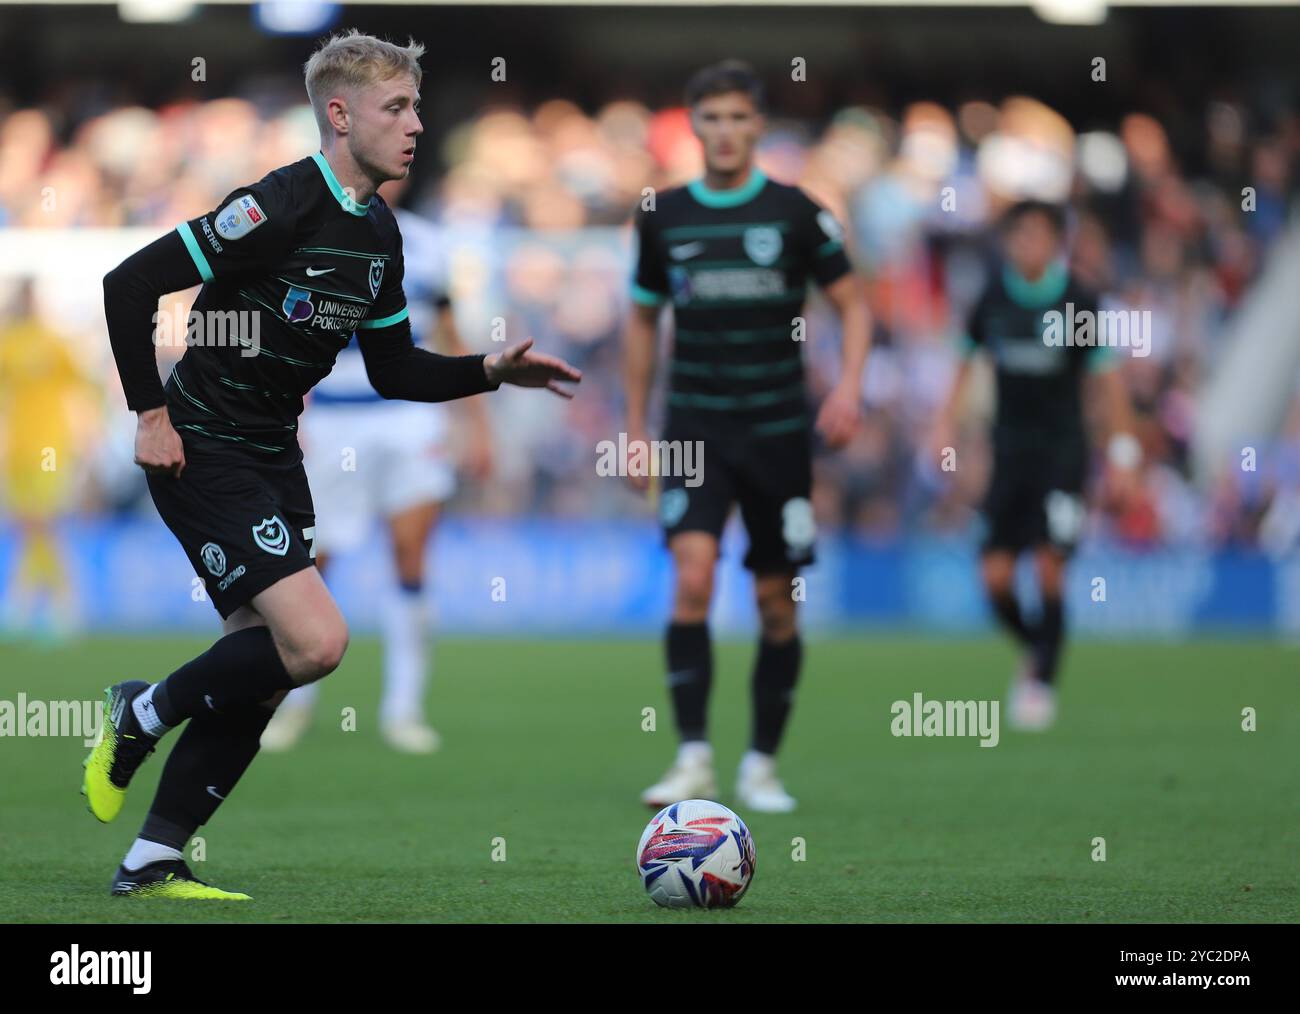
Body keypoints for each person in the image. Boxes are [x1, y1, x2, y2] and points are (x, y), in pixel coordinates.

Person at [89, 30, 579, 899]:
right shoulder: (277, 204)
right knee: (317, 642)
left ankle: (152, 857)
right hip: (201, 444)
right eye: (398, 108)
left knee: (261, 674)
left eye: (419, 107)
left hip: (277, 455)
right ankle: (144, 710)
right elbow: (128, 285)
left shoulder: (381, 236)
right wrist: (149, 414)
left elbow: (394, 371)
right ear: (341, 114)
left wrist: (489, 373)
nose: (418, 125)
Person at [624, 60, 871, 813]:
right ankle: (694, 756)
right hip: (694, 428)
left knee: (776, 602)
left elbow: (854, 304)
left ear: (759, 126)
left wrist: (852, 384)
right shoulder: (662, 216)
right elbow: (641, 318)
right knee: (692, 578)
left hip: (777, 434)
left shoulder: (797, 213)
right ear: (692, 127)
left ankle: (761, 765)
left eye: (738, 118)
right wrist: (636, 427)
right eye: (711, 118)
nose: (725, 132)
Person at [261, 201, 493, 755]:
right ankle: (294, 704)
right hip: (336, 417)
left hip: (411, 416)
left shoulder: (429, 240)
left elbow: (450, 331)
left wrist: (478, 423)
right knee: (310, 563)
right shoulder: (311, 231)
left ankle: (404, 709)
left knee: (410, 557)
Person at [932, 200, 1139, 731]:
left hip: (1064, 454)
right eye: (1019, 235)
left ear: (1055, 242)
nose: (1028, 245)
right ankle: (1036, 650)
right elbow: (965, 360)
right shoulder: (994, 296)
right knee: (995, 577)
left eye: (1039, 235)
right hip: (1009, 454)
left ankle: (1041, 680)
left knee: (1050, 567)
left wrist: (1121, 453)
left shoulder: (1078, 300)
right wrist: (944, 428)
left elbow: (1107, 380)